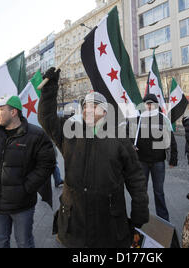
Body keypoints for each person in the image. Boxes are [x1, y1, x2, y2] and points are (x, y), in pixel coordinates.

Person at [38, 67, 149, 248]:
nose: (87, 110)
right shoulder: (69, 133)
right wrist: (50, 89)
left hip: (108, 225)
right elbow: (46, 118)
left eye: (93, 106)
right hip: (74, 223)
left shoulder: (120, 138)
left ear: (104, 112)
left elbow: (135, 177)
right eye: (84, 106)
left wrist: (140, 211)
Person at [0, 95, 55, 248]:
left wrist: (26, 188)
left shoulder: (36, 135)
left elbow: (47, 165)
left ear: (13, 112)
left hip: (21, 205)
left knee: (24, 242)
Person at [134, 94, 177, 222]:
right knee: (142, 192)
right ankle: (142, 218)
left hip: (158, 162)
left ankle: (163, 220)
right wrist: (132, 146)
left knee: (159, 192)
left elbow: (171, 139)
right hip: (142, 162)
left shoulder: (163, 119)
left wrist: (173, 158)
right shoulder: (138, 119)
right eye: (147, 103)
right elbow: (129, 136)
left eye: (152, 103)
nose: (149, 106)